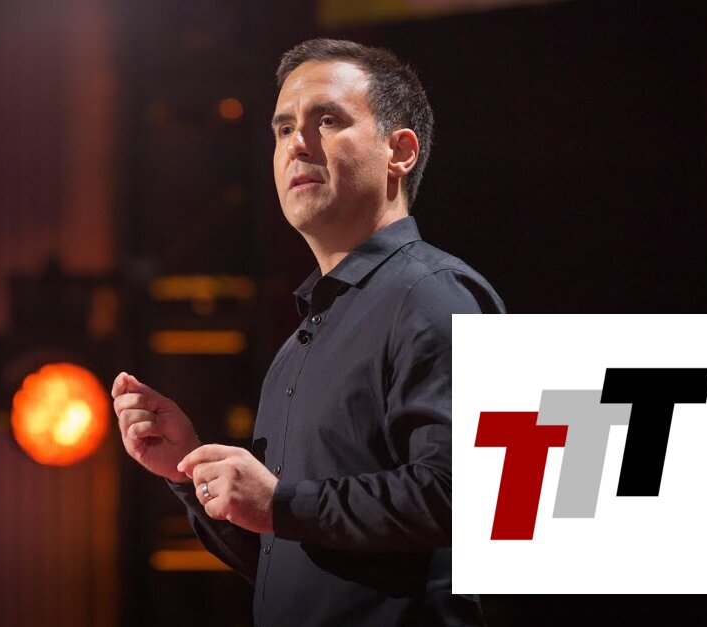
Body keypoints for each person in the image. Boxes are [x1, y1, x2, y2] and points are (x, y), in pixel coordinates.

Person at [112, 38, 504, 626]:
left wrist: (281, 504)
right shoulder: (305, 340)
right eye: (283, 128)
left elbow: (470, 498)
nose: (298, 142)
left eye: (327, 120)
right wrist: (190, 471)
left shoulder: (431, 295)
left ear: (399, 151)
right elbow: (291, 556)